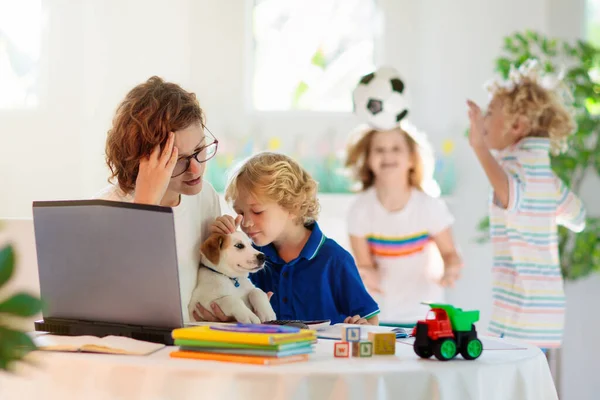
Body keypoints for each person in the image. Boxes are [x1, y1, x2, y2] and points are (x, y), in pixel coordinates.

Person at [466, 60, 586, 350]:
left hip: (519, 309)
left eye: (490, 113)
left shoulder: (519, 169)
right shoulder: (546, 176)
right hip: (546, 312)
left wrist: (480, 149)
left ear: (517, 126)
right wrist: (538, 214)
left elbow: (511, 195)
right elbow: (578, 217)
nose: (483, 121)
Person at [96, 76, 221, 321]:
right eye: (178, 160)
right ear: (140, 161)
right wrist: (146, 205)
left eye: (199, 150)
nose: (195, 170)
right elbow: (115, 304)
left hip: (193, 344)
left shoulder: (204, 196)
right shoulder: (104, 211)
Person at [206, 152, 380, 325]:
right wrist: (218, 240)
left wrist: (361, 326)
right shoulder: (253, 256)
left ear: (293, 206)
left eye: (257, 211)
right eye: (240, 213)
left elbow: (371, 319)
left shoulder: (334, 260)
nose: (246, 222)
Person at [344, 122, 463, 322]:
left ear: (411, 159)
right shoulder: (360, 209)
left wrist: (450, 270)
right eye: (379, 149)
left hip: (425, 316)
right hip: (381, 314)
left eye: (396, 148)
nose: (387, 154)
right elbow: (365, 265)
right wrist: (364, 275)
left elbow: (450, 254)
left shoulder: (429, 206)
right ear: (369, 160)